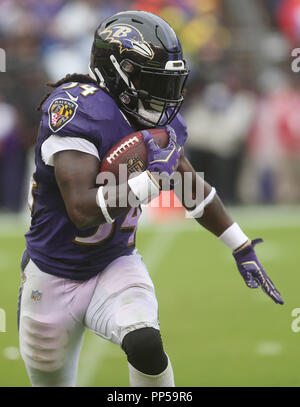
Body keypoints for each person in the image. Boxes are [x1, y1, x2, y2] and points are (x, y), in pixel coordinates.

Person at [18, 10, 283, 388]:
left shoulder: (159, 124)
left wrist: (239, 244)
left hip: (114, 262)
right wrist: (152, 180)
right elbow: (81, 211)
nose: (166, 95)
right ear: (119, 72)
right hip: (52, 273)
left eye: (171, 82)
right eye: (154, 80)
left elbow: (191, 188)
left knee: (145, 341)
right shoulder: (78, 111)